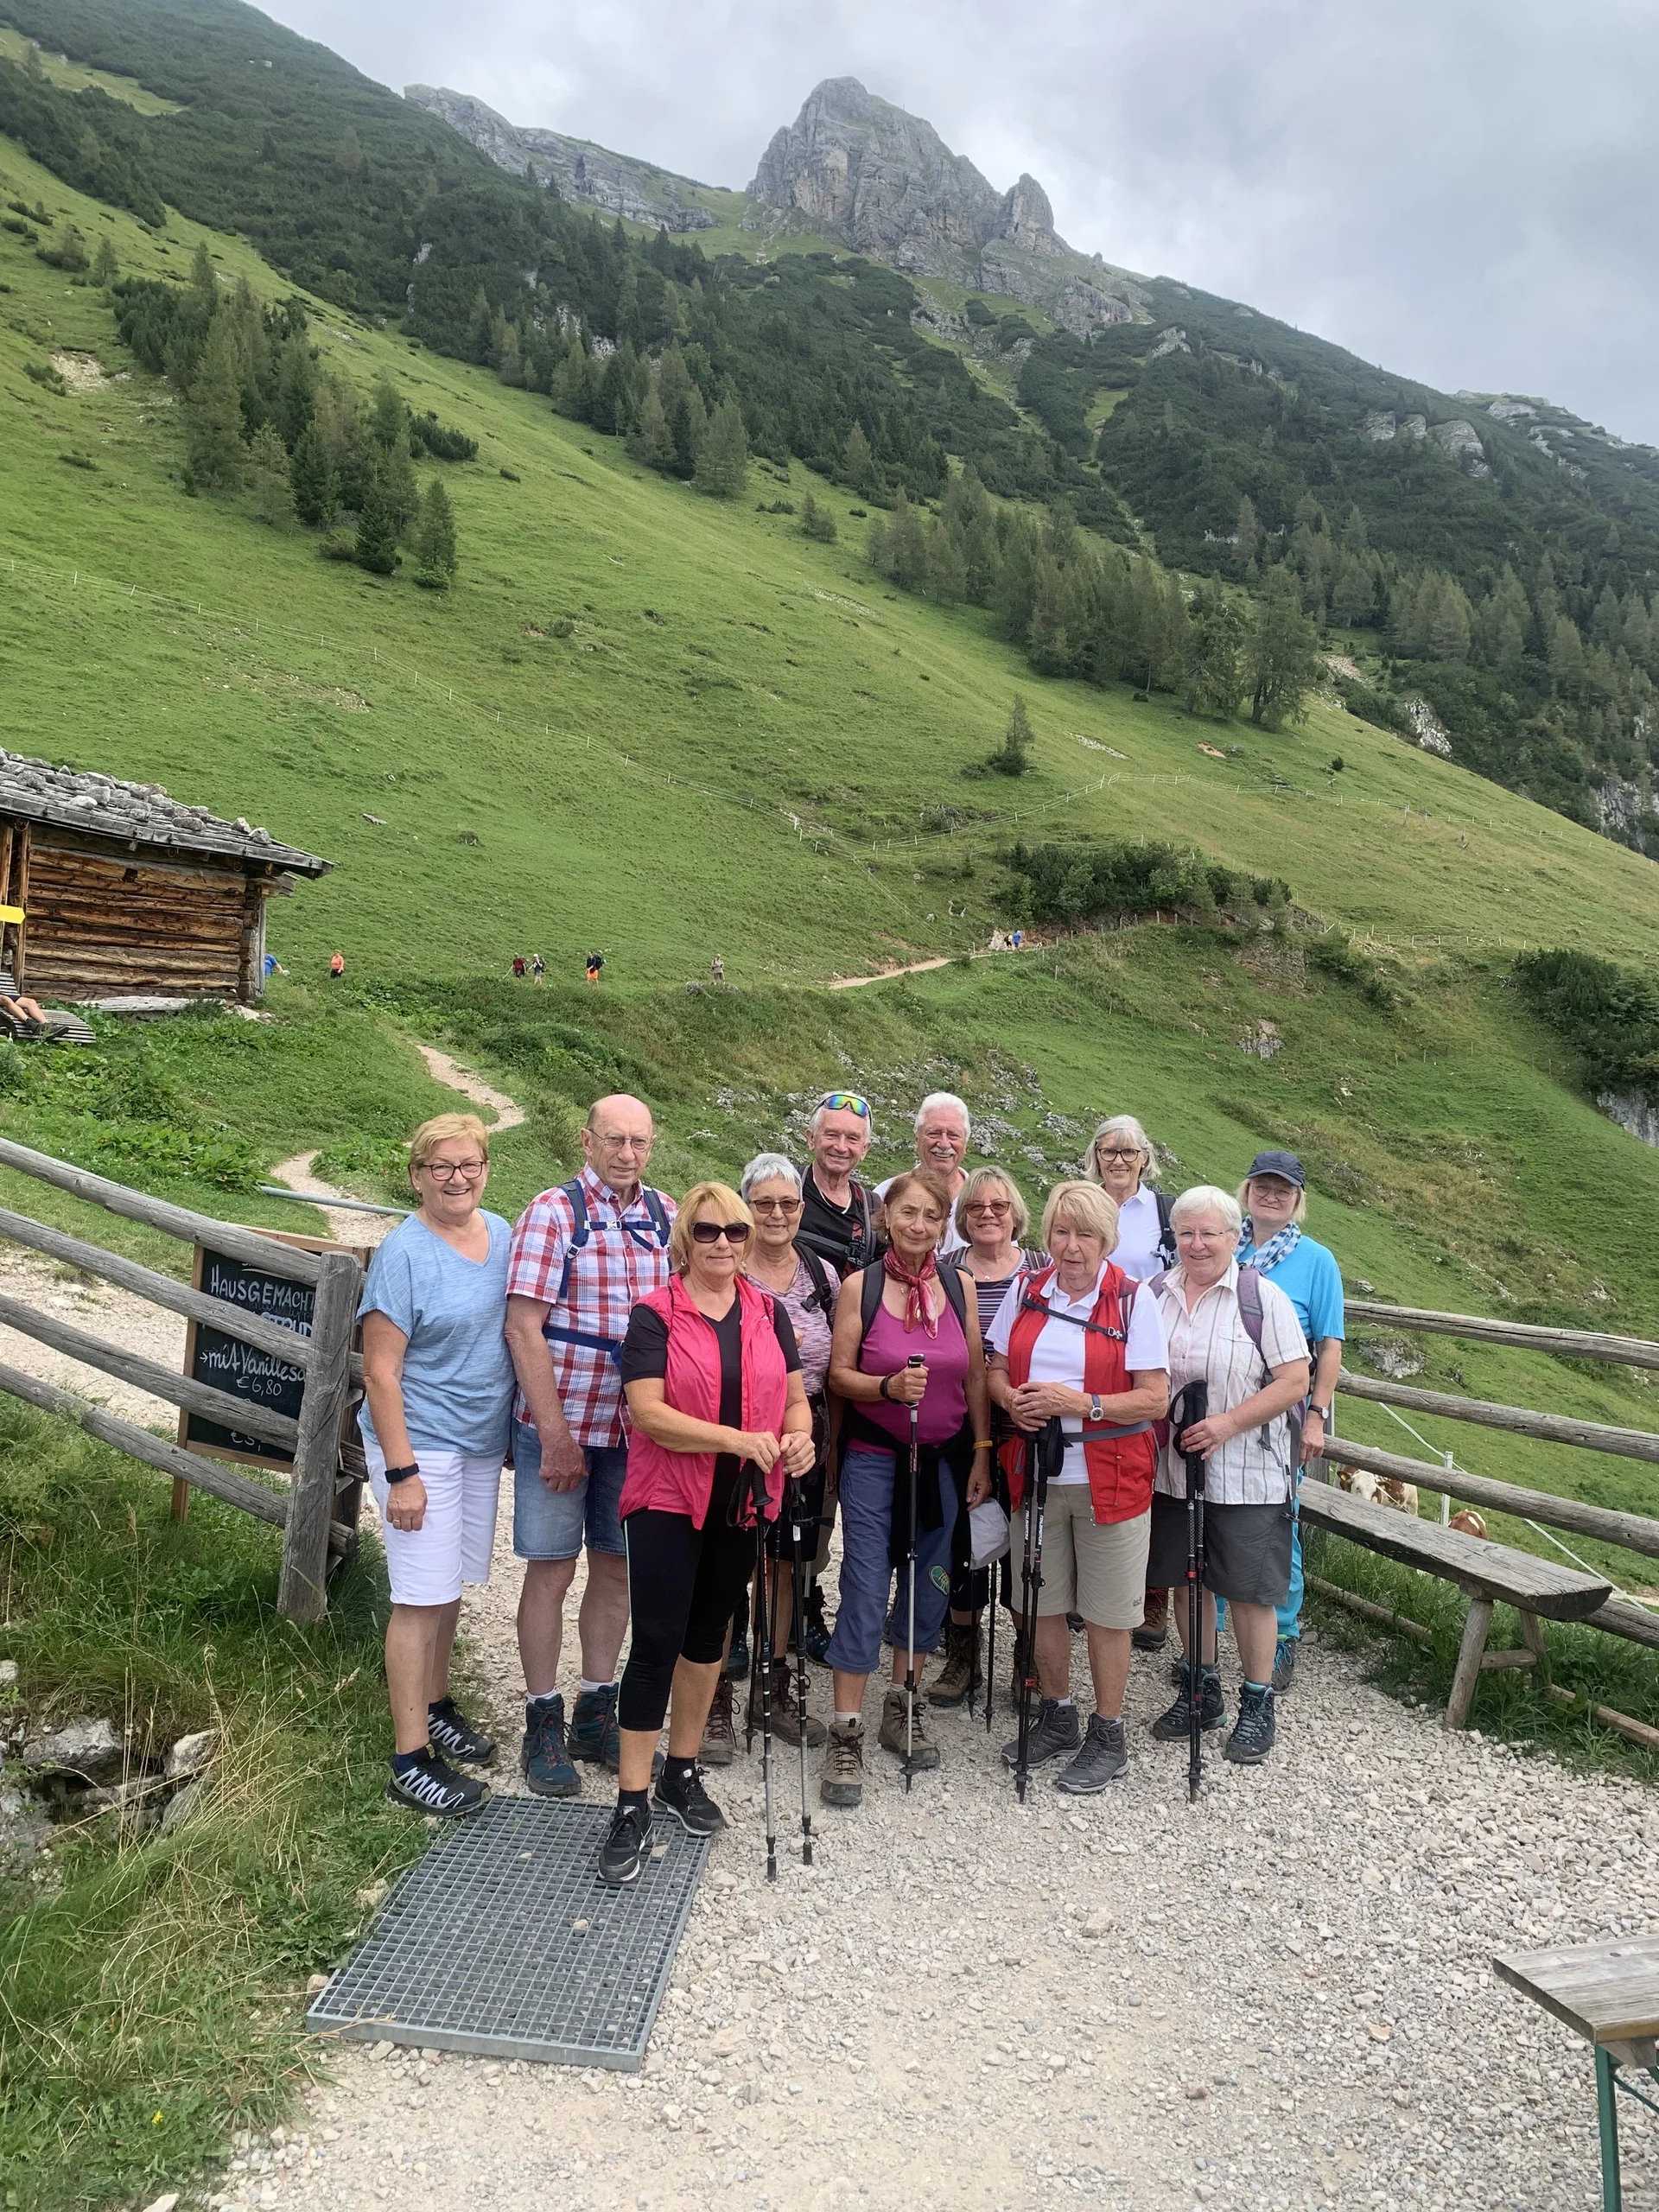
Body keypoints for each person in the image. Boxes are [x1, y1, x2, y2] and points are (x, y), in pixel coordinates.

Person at [600, 1184, 816, 1886]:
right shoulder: (654, 1315)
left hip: (742, 1502)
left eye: (734, 1230)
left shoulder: (767, 1312)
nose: (722, 1242)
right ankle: (631, 1799)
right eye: (707, 1230)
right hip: (667, 1498)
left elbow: (794, 1399)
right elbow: (650, 1415)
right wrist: (737, 1440)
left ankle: (680, 1772)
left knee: (708, 1639)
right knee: (658, 1642)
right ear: (684, 1239)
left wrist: (801, 1440)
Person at [505, 1095, 677, 1796]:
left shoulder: (665, 1215)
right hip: (564, 1421)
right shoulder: (553, 1213)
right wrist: (553, 1435)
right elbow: (523, 1327)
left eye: (639, 1141)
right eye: (614, 1140)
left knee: (615, 1568)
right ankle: (542, 1717)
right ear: (587, 1140)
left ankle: (595, 1709)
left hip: (635, 1431)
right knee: (551, 1569)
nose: (627, 1154)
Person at [986, 1181, 1170, 1790]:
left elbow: (1154, 1396)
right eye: (1061, 1232)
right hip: (1036, 1472)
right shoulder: (1026, 1289)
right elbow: (994, 1367)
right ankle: (1058, 1714)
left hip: (1109, 1475)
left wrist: (1080, 1402)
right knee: (1040, 1600)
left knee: (1109, 1613)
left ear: (1106, 1241)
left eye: (1085, 1234)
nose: (1071, 1247)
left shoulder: (1132, 1300)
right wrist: (1012, 1399)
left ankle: (1108, 1734)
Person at [359, 1114, 517, 1818]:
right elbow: (380, 1375)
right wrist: (402, 1474)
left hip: (478, 1440)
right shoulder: (405, 1252)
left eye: (470, 1165)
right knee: (418, 1599)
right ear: (417, 1175)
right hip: (419, 1443)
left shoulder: (504, 1234)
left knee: (449, 1586)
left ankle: (436, 1703)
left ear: (486, 1168)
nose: (458, 1179)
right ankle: (410, 1759)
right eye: (441, 1167)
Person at [821, 1169, 992, 1807]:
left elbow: (974, 1375)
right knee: (865, 1580)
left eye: (931, 1216)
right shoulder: (860, 1289)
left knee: (929, 1582)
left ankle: (903, 1704)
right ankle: (846, 1728)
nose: (918, 1226)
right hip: (876, 1456)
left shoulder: (960, 1287)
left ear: (943, 1224)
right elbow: (839, 1376)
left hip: (944, 1458)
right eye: (908, 1213)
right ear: (886, 1216)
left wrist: (980, 1452)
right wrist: (887, 1389)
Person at [1146, 1186, 1310, 1766]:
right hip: (1172, 1470)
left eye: (1209, 1233)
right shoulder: (1154, 1296)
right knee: (1190, 1581)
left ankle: (1257, 1702)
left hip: (1247, 1472)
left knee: (1248, 1589)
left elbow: (1294, 1382)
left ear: (1233, 1237)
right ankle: (1202, 1688)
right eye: (1185, 1232)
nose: (1196, 1244)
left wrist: (1226, 1424)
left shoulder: (1261, 1298)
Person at [733, 1153, 839, 1755]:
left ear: (802, 1208)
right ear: (746, 1206)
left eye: (788, 1203)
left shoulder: (821, 1277)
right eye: (764, 1203)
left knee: (785, 1562)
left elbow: (837, 1366)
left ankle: (773, 1683)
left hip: (804, 1436)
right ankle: (720, 1685)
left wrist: (833, 1448)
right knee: (730, 1561)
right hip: (733, 1435)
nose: (776, 1214)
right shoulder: (724, 1264)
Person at [930, 1166, 1043, 1709]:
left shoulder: (1043, 1270)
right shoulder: (945, 1271)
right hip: (962, 1430)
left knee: (1028, 1547)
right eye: (976, 1208)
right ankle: (963, 1654)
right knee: (964, 1542)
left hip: (1031, 1430)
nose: (988, 1216)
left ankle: (1029, 1654)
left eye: (999, 1206)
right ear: (963, 1217)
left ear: (1015, 1214)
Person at [1236, 1149, 1344, 1694]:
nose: (1271, 1196)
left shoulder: (1316, 1260)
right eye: (1263, 1186)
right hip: (1224, 1407)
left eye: (1283, 1189)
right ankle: (1214, 1638)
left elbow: (1328, 1344)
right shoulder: (1223, 1245)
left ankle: (1281, 1636)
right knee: (1214, 1513)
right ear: (1247, 1191)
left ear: (1298, 1199)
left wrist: (1317, 1417)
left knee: (1277, 1521)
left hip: (1283, 1409)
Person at [1087, 1114, 1178, 1649]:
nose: (1118, 1159)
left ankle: (1152, 1594)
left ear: (1145, 1157)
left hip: (1147, 1343)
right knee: (1095, 1452)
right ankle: (1092, 1587)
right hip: (1090, 1339)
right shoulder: (1081, 1199)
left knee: (1150, 1454)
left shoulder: (1163, 1211)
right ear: (1095, 1156)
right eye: (1108, 1150)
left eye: (1128, 1151)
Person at [875, 1092, 973, 1260]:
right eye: (934, 1133)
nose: (943, 1144)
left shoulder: (986, 1201)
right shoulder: (885, 1193)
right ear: (917, 1139)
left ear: (965, 1143)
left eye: (953, 1135)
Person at [796, 1090, 878, 1276]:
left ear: (865, 1149)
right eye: (832, 1135)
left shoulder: (873, 1209)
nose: (841, 1147)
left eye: (852, 1139)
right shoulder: (780, 1185)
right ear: (811, 1138)